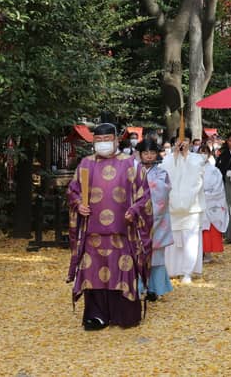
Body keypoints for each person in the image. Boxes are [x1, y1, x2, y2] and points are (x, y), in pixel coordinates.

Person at [66, 123, 153, 330]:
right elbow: (73, 190)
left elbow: (145, 195)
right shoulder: (85, 164)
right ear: (93, 141)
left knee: (122, 270)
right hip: (92, 233)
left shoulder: (131, 164)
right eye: (99, 140)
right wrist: (78, 204)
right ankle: (96, 316)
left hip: (122, 232)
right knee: (92, 273)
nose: (103, 144)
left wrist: (134, 210)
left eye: (107, 140)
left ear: (116, 140)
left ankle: (124, 315)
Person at [162, 134, 206, 284]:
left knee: (190, 239)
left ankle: (187, 271)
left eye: (185, 141)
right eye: (179, 141)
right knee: (173, 240)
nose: (182, 144)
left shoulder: (197, 158)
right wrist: (175, 156)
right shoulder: (168, 159)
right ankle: (172, 269)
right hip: (172, 206)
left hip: (192, 207)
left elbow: (198, 175)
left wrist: (186, 155)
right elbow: (165, 175)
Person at [137, 139, 173, 301]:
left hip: (157, 220)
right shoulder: (132, 171)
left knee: (156, 256)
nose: (149, 156)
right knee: (136, 254)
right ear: (140, 154)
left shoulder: (161, 173)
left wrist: (142, 186)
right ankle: (137, 287)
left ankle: (154, 288)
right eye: (145, 153)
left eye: (152, 153)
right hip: (136, 219)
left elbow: (163, 191)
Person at [200, 145, 229, 263]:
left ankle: (208, 253)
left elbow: (219, 188)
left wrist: (207, 195)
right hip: (197, 201)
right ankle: (199, 253)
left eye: (205, 152)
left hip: (211, 201)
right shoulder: (193, 169)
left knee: (209, 228)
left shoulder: (214, 170)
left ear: (209, 154)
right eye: (200, 152)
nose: (203, 155)